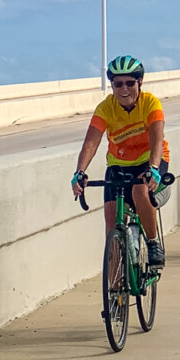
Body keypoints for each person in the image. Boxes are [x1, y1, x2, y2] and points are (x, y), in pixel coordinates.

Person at [72, 55, 170, 267]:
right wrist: (79, 172)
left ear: (139, 83)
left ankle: (153, 243)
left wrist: (153, 168)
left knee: (139, 191)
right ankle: (116, 289)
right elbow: (91, 141)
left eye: (129, 83)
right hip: (119, 164)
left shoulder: (150, 103)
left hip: (149, 159)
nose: (124, 89)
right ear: (113, 86)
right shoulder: (105, 108)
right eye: (118, 84)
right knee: (112, 222)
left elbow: (157, 139)